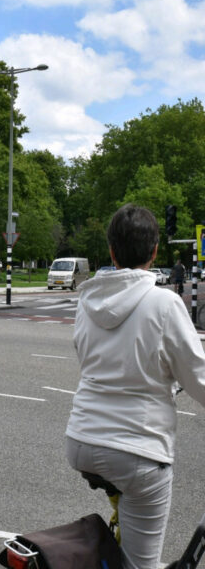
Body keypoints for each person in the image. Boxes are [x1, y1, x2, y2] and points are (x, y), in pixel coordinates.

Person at [65, 204, 205, 569]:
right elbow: (198, 378)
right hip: (135, 449)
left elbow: (88, 358)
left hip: (82, 439)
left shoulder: (87, 301)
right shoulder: (164, 303)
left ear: (111, 251)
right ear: (155, 251)